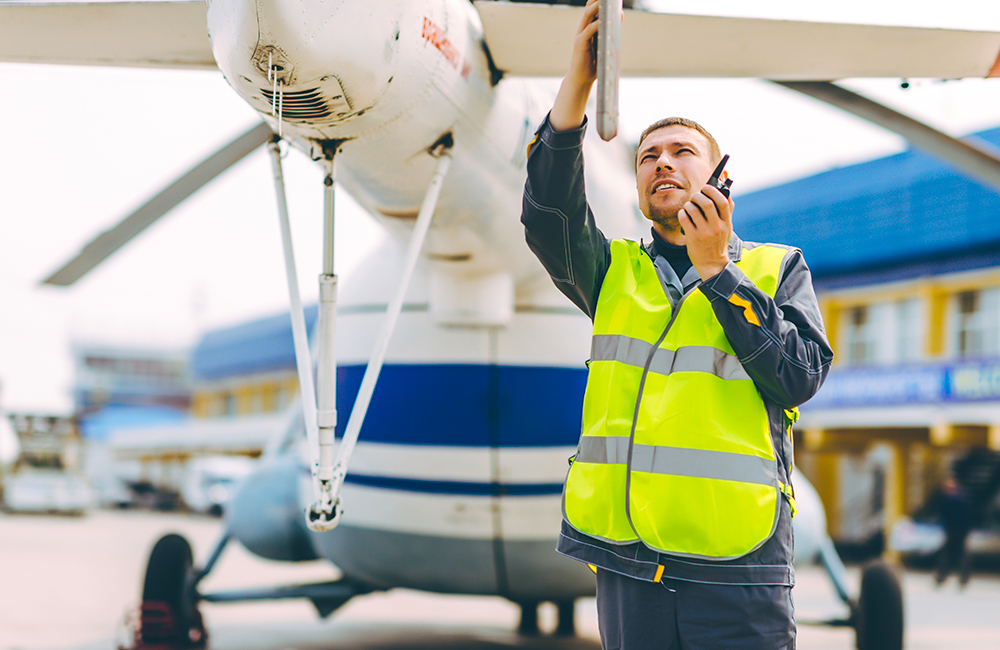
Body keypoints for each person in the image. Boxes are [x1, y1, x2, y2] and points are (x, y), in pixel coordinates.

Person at [520, 1, 834, 648]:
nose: (662, 162)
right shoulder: (612, 271)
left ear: (721, 177)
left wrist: (719, 273)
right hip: (625, 555)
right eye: (648, 156)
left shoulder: (778, 269)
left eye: (682, 152)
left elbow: (799, 377)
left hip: (735, 563)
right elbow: (548, 211)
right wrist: (577, 85)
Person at [935, 477, 973, 587]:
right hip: (962, 530)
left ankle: (941, 577)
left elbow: (942, 514)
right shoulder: (965, 498)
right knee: (962, 554)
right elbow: (970, 514)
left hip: (951, 529)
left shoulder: (947, 499)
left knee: (946, 554)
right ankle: (963, 579)